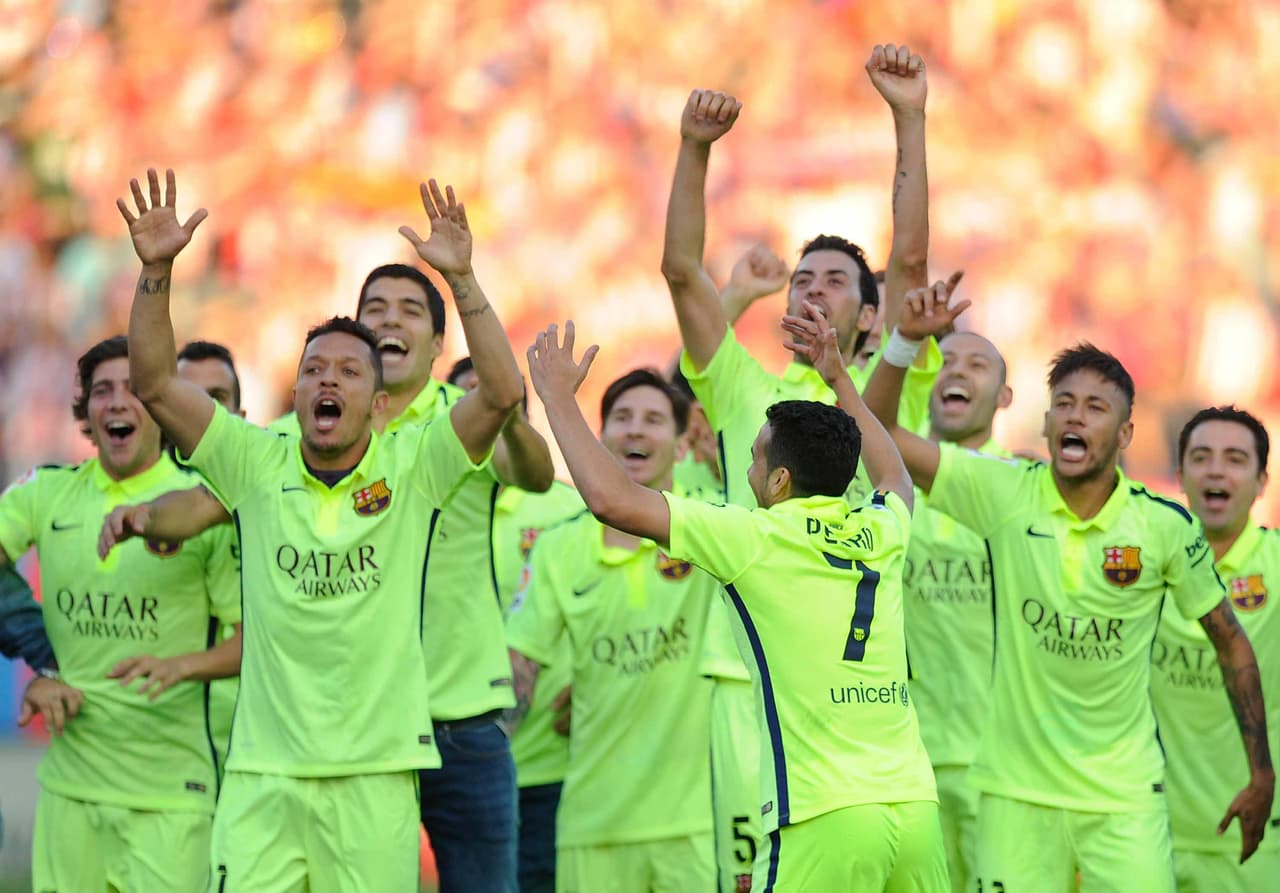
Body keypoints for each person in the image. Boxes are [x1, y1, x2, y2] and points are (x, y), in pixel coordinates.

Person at [116, 168, 525, 889]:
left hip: (377, 776)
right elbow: (153, 383)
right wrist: (155, 273)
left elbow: (500, 393)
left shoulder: (416, 466)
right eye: (314, 370)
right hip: (263, 776)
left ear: (378, 404)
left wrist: (463, 281)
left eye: (348, 372)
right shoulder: (252, 460)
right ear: (297, 389)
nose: (328, 380)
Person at [863, 279, 1275, 890]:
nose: (1076, 415)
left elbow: (1230, 641)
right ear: (1046, 419)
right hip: (1015, 793)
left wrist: (1261, 772)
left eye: (1095, 407)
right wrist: (902, 343)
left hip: (1123, 799)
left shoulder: (1163, 526)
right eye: (1064, 403)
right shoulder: (1003, 491)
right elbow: (875, 430)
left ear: (1126, 434)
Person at [526, 316, 948, 891]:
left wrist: (556, 399)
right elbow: (894, 473)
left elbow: (611, 501)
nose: (745, 472)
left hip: (823, 815)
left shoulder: (753, 538)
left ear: (778, 481)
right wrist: (840, 380)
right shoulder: (883, 527)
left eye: (753, 459)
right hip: (916, 809)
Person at [660, 45, 940, 887]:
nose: (813, 288)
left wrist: (909, 118)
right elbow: (681, 273)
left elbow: (911, 267)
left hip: (859, 710)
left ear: (871, 315)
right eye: (803, 278)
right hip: (749, 691)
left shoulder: (882, 381)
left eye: (836, 281)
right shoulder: (745, 388)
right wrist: (694, 149)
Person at [1, 333, 240, 891]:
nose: (116, 402)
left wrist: (181, 667)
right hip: (70, 793)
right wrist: (42, 663)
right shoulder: (48, 492)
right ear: (85, 410)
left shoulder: (198, 506)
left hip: (171, 798)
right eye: (101, 390)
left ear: (159, 403)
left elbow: (255, 640)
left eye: (134, 389)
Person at [506, 367, 718, 892]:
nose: (635, 429)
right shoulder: (558, 547)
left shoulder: (710, 527)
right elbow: (518, 669)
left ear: (682, 442)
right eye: (622, 417)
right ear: (599, 437)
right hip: (592, 826)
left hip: (696, 825)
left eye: (653, 419)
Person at [862, 321, 1012, 892]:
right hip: (903, 763)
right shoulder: (883, 489)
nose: (957, 371)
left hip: (1001, 763)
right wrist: (903, 340)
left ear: (1005, 397)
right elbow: (870, 423)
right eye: (946, 362)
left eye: (977, 364)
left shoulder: (1024, 487)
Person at [449, 355, 585, 893]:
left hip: (550, 766)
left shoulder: (571, 509)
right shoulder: (426, 505)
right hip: (449, 756)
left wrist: (598, 685)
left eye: (495, 404)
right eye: (466, 403)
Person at [1152, 406, 1280, 892]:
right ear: (1180, 475)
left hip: (1257, 840)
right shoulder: (1144, 566)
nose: (1216, 471)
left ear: (1262, 481)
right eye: (1202, 457)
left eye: (1235, 459)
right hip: (1146, 830)